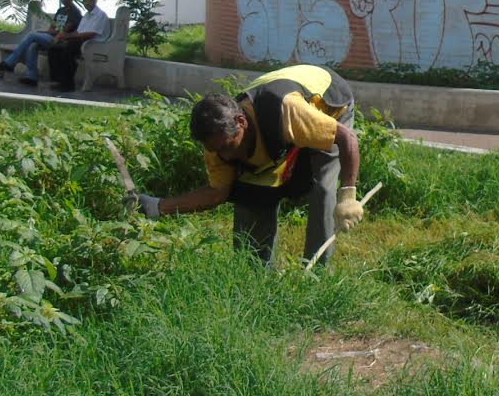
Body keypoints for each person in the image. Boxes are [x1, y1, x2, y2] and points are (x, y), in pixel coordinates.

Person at [133, 64, 364, 267]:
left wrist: (348, 196)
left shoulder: (287, 112)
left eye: (228, 146)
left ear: (241, 122)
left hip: (329, 100)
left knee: (322, 188)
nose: (225, 156)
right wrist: (160, 206)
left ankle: (317, 271)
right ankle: (256, 273)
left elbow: (347, 139)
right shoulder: (216, 142)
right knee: (251, 193)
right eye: (216, 150)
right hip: (282, 124)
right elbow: (217, 193)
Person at [0, 0, 81, 87]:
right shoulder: (60, 10)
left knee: (32, 35)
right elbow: (52, 28)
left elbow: (64, 30)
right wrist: (47, 32)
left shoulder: (75, 12)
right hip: (52, 37)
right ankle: (32, 77)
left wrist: (52, 32)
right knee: (33, 45)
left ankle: (10, 63)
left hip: (61, 40)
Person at [45, 0, 111, 92]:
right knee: (54, 49)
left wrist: (68, 36)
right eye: (84, 1)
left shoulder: (100, 15)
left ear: (95, 1)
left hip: (93, 44)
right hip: (82, 41)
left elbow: (91, 34)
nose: (87, 3)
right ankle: (58, 81)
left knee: (68, 49)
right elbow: (78, 31)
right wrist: (65, 36)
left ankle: (68, 85)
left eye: (90, 0)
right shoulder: (86, 15)